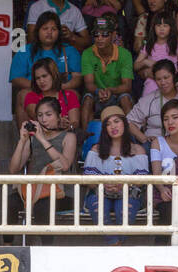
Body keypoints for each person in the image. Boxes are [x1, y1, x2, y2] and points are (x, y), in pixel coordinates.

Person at [10, 95, 77, 230]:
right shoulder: (33, 139)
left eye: (48, 114)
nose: (43, 119)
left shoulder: (69, 137)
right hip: (34, 189)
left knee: (43, 205)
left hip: (61, 192)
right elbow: (13, 169)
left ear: (58, 116)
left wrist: (42, 139)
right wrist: (22, 141)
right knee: (10, 202)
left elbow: (65, 165)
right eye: (40, 115)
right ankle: (7, 244)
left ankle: (44, 249)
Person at [83, 105, 148, 232]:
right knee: (100, 211)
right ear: (104, 129)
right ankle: (115, 245)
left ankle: (114, 246)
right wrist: (105, 184)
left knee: (123, 212)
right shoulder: (96, 149)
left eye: (117, 121)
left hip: (129, 193)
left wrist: (123, 185)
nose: (113, 126)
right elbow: (89, 181)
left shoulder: (138, 149)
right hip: (100, 193)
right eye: (108, 124)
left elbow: (142, 180)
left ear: (125, 124)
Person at [11, 11, 84, 119]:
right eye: (45, 28)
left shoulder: (70, 50)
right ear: (37, 31)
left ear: (59, 32)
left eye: (53, 29)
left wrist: (57, 87)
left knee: (74, 94)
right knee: (23, 95)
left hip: (61, 90)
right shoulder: (24, 51)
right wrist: (41, 86)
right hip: (35, 90)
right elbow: (16, 79)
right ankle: (27, 135)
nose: (49, 32)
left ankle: (70, 132)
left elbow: (77, 79)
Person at [81, 16, 135, 124]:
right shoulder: (87, 53)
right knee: (87, 100)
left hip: (117, 94)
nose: (99, 38)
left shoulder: (125, 54)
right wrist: (98, 91)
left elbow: (127, 86)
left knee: (125, 99)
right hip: (96, 93)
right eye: (96, 34)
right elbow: (89, 84)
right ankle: (86, 137)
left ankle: (131, 136)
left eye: (105, 34)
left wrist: (111, 90)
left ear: (113, 35)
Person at [128, 58, 178, 141]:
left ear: (174, 76)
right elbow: (129, 122)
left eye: (166, 77)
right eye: (158, 79)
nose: (163, 82)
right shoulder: (149, 99)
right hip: (155, 143)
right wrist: (144, 138)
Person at [135, 13, 178, 96]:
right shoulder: (149, 46)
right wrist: (145, 62)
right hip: (152, 82)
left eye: (165, 26)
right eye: (158, 25)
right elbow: (136, 66)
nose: (161, 29)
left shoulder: (175, 46)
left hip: (171, 83)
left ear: (171, 28)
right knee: (149, 104)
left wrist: (174, 77)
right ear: (154, 28)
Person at [24, 59, 81, 129]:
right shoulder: (31, 97)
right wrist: (58, 122)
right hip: (40, 138)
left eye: (44, 76)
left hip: (66, 137)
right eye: (37, 78)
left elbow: (75, 123)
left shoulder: (70, 96)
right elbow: (38, 118)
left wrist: (69, 126)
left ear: (54, 75)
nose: (41, 81)